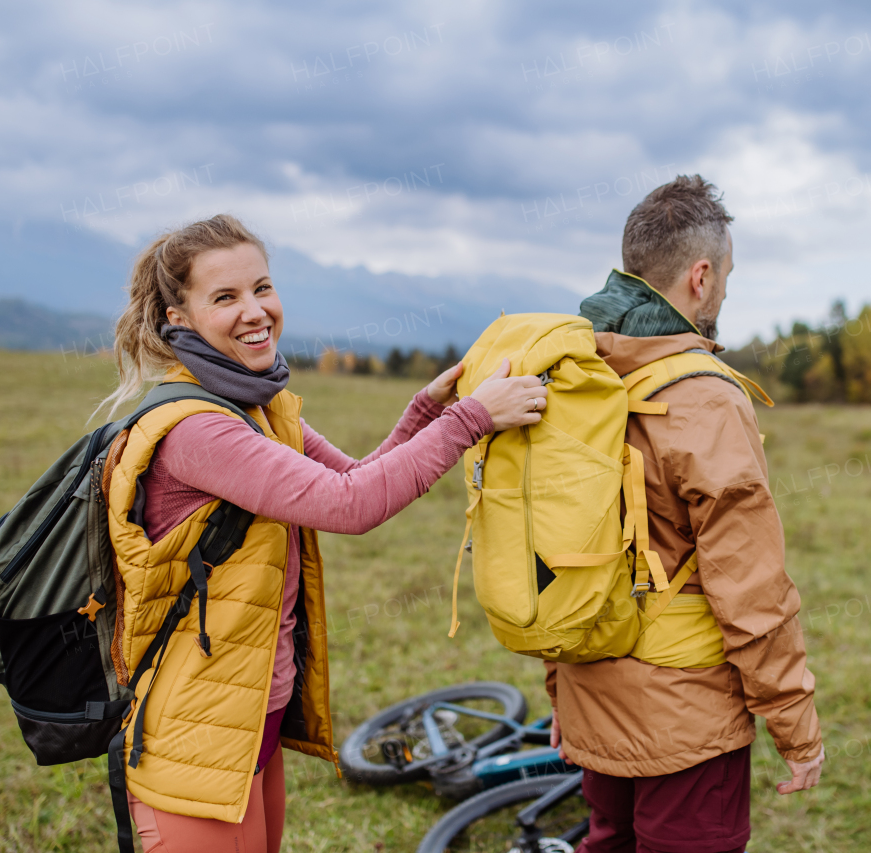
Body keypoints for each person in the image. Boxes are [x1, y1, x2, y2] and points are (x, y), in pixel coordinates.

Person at [100, 213, 548, 853]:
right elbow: (351, 505)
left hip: (252, 710)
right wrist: (471, 420)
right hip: (195, 728)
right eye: (224, 297)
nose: (255, 311)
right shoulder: (199, 429)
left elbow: (356, 478)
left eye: (261, 287)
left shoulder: (256, 406)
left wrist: (428, 411)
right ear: (178, 317)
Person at [545, 175, 824, 853]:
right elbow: (751, 589)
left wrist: (560, 691)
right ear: (700, 276)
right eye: (726, 274)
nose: (725, 289)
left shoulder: (573, 374)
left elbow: (551, 543)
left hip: (590, 691)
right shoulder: (705, 397)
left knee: (608, 840)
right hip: (687, 722)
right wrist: (797, 727)